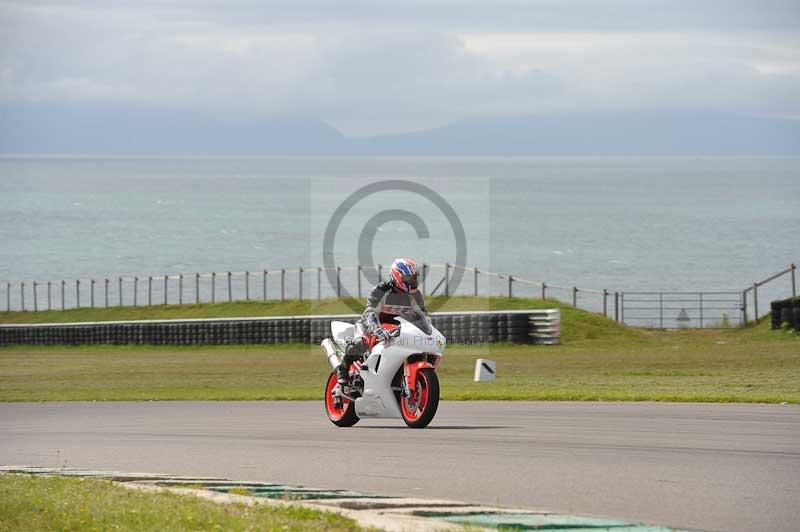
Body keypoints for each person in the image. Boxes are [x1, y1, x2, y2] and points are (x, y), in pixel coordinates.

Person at [334, 258, 426, 398]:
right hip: (371, 324)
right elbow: (370, 312)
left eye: (414, 278)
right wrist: (376, 329)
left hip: (395, 329)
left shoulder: (416, 295)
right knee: (361, 343)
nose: (412, 281)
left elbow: (421, 316)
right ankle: (343, 370)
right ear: (397, 275)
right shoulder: (380, 290)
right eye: (409, 277)